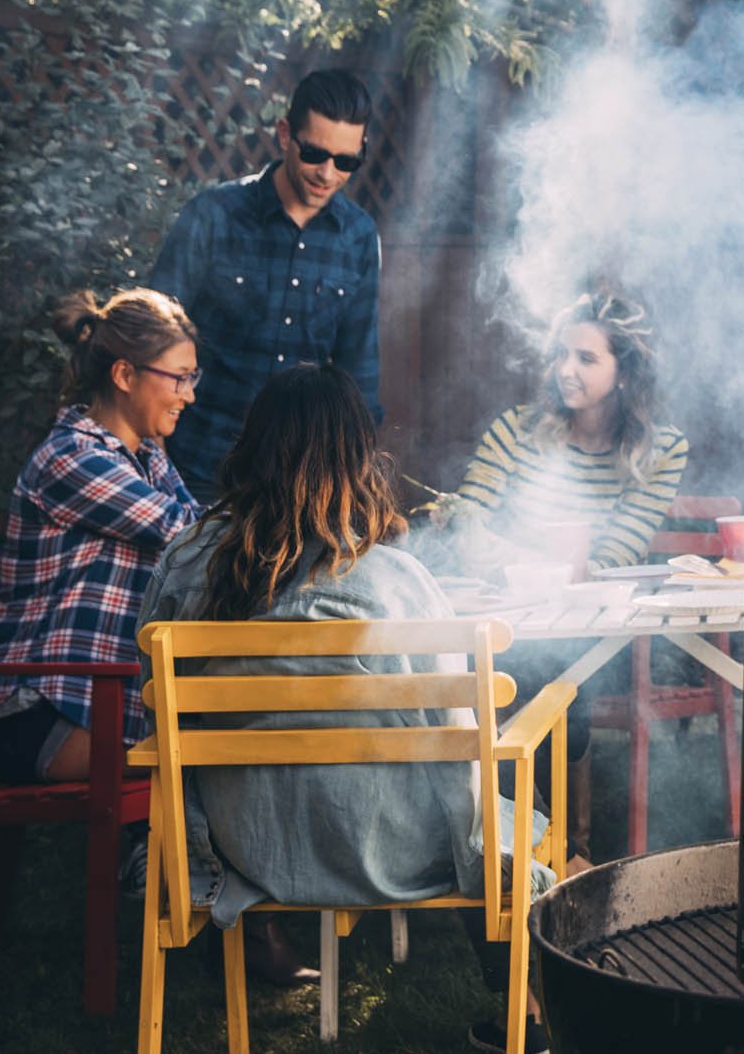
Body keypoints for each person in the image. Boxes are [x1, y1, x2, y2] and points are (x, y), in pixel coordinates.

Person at [140, 364, 553, 1047]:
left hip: (244, 846)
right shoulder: (394, 576)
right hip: (388, 848)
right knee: (510, 823)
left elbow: (152, 696)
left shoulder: (188, 559)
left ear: (252, 446)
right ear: (358, 458)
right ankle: (528, 1022)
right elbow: (453, 734)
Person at [0, 289, 202, 785]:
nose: (189, 394)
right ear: (124, 375)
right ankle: (148, 861)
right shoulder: (70, 458)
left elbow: (202, 534)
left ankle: (150, 860)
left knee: (233, 742)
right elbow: (188, 534)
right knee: (221, 759)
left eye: (192, 377)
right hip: (41, 718)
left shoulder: (148, 460)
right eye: (179, 378)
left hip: (98, 709)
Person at [151, 68, 383, 502]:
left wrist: (355, 482)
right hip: (199, 470)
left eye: (346, 161)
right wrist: (156, 457)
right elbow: (153, 340)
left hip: (297, 484)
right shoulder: (212, 214)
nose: (327, 174)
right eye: (314, 153)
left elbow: (359, 375)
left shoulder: (359, 237)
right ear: (284, 135)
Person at [449, 291, 689, 573]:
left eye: (586, 359)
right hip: (511, 601)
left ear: (624, 374)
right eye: (562, 354)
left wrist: (522, 560)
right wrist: (465, 530)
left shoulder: (661, 449)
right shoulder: (516, 429)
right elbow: (468, 521)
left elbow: (612, 563)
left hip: (609, 607)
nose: (564, 370)